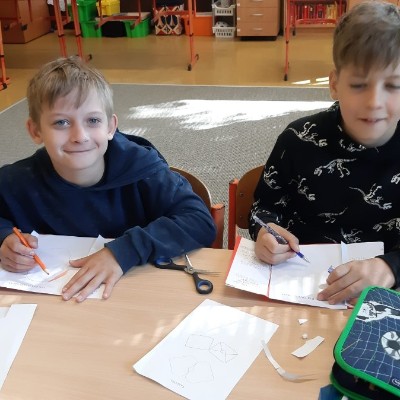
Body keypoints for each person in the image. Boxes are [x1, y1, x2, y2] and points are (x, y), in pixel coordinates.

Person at [0, 56, 216, 302]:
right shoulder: (16, 180)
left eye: (92, 120)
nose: (80, 136)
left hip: (138, 298)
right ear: (35, 130)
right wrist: (4, 237)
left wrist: (122, 252)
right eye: (61, 122)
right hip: (54, 304)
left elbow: (199, 222)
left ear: (110, 127)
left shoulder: (145, 172)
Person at [249, 1, 400, 305]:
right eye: (358, 84)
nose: (374, 101)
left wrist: (391, 267)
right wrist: (265, 234)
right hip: (301, 292)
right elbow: (262, 209)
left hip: (384, 302)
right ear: (334, 84)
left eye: (393, 85)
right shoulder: (297, 140)